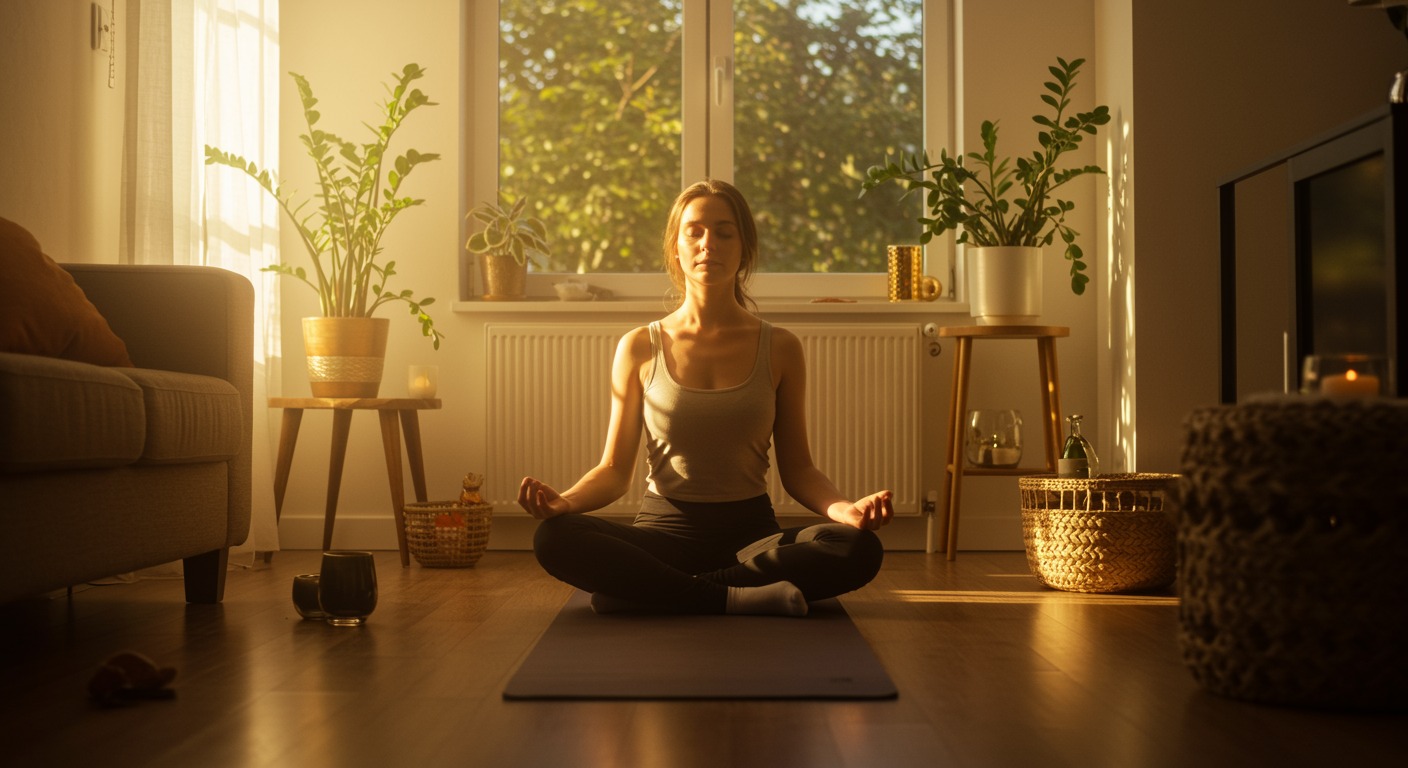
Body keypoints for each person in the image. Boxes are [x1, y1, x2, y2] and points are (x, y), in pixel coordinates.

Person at [518, 179, 893, 617]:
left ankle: (660, 594)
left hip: (753, 542)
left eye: (724, 231)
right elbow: (613, 471)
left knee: (857, 548)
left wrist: (847, 510)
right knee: (554, 537)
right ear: (675, 247)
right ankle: (731, 597)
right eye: (694, 231)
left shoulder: (782, 347)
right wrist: (563, 502)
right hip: (661, 538)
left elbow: (800, 470)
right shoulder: (640, 345)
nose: (707, 243)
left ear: (744, 247)